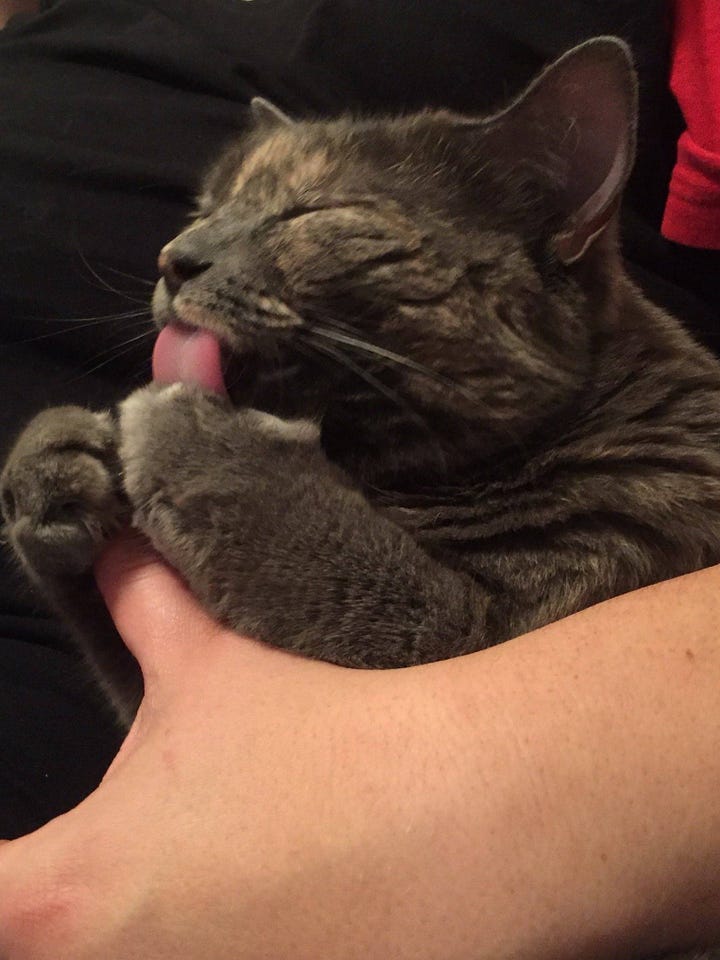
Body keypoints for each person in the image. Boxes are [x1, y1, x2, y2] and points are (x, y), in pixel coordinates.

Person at [0, 1, 718, 957]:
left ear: (546, 218)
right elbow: (239, 742)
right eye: (212, 216)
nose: (181, 257)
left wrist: (207, 479)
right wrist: (102, 552)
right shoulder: (377, 456)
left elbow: (453, 719)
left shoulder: (669, 478)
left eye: (309, 216)